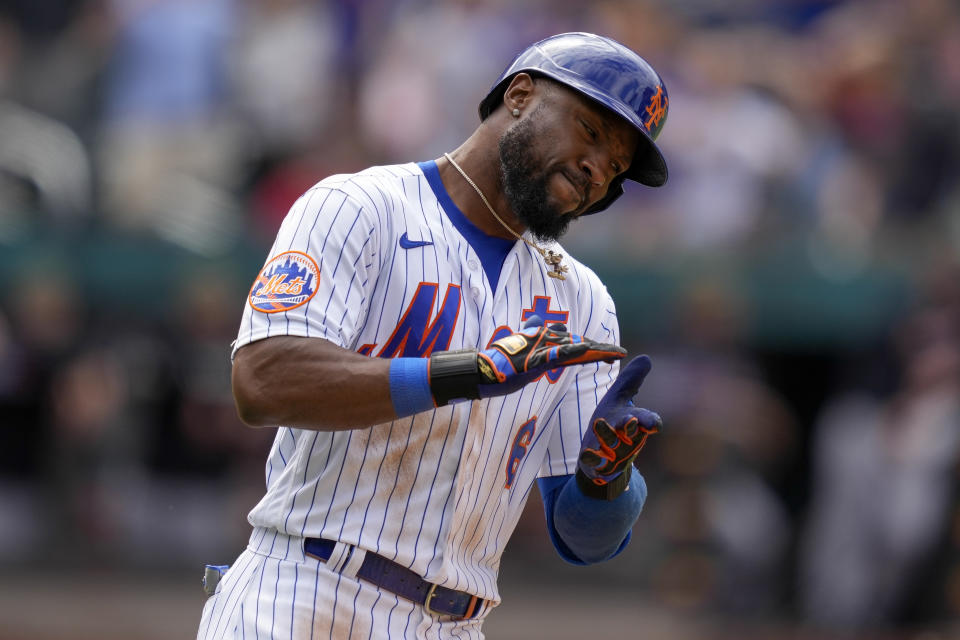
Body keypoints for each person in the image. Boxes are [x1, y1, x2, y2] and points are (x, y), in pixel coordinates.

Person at [197, 32, 670, 639]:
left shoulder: (583, 302)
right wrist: (468, 372)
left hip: (456, 622)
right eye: (593, 132)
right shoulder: (360, 205)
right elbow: (263, 381)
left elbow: (582, 540)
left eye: (616, 167)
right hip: (309, 591)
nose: (596, 170)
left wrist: (607, 481)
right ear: (521, 94)